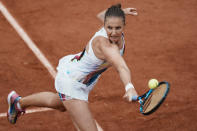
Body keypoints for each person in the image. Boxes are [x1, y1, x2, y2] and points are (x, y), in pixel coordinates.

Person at [7, 4, 138, 131]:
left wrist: (122, 12)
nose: (113, 33)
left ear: (124, 25)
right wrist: (129, 87)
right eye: (109, 28)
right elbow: (121, 66)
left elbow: (102, 14)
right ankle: (18, 103)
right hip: (72, 82)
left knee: (59, 103)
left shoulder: (111, 27)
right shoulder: (106, 45)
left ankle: (18, 102)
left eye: (118, 28)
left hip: (81, 77)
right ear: (104, 25)